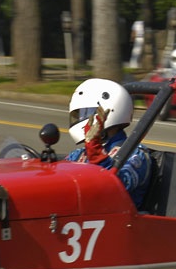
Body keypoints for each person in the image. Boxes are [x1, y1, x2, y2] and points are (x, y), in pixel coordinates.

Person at [65, 78, 152, 208]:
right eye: (79, 115)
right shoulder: (79, 155)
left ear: (109, 112)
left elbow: (117, 186)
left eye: (86, 113)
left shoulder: (135, 154)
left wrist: (96, 153)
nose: (83, 119)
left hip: (118, 222)